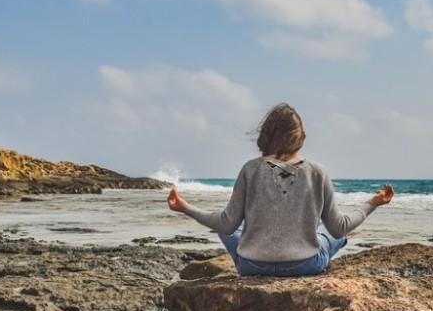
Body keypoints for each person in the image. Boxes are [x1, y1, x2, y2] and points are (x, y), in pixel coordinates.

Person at [167, 103, 393, 277]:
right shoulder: (317, 172)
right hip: (304, 266)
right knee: (329, 231)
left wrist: (185, 207)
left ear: (265, 135)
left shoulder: (250, 170)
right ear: (299, 137)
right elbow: (340, 227)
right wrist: (372, 203)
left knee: (226, 223)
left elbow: (226, 225)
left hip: (251, 266)